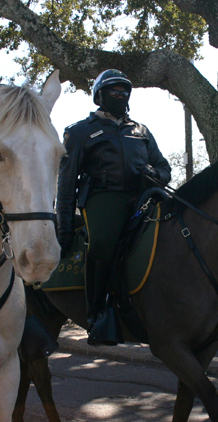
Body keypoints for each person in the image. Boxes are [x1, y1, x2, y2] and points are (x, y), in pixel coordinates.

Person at [56, 69, 171, 346]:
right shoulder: (79, 132)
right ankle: (96, 313)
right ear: (99, 96)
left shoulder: (141, 131)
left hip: (143, 195)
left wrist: (154, 174)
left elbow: (165, 168)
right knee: (104, 242)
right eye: (113, 91)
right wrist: (63, 228)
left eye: (124, 92)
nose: (120, 96)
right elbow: (66, 182)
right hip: (104, 197)